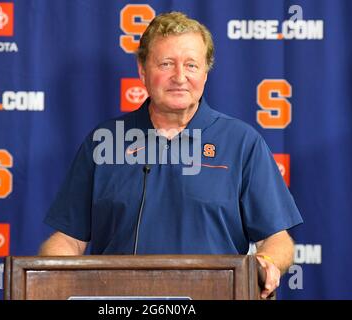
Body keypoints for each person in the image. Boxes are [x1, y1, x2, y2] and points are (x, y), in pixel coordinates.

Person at [39, 12, 303, 299]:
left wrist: (267, 263)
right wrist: (52, 272)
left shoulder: (242, 142)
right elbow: (67, 239)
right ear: (142, 71)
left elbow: (277, 239)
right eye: (166, 64)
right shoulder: (104, 141)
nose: (180, 77)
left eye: (191, 65)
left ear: (205, 73)